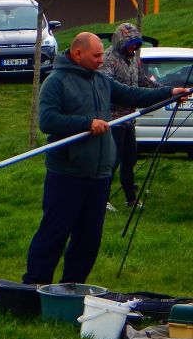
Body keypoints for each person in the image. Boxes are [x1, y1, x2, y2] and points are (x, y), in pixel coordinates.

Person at [23, 32, 188, 285]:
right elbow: (48, 121)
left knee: (89, 239)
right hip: (67, 173)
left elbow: (133, 95)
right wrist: (86, 123)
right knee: (54, 234)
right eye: (97, 55)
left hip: (99, 175)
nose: (102, 60)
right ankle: (34, 287)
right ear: (78, 53)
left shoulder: (101, 80)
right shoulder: (56, 82)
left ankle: (72, 288)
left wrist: (170, 92)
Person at [101, 23, 156, 211]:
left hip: (129, 120)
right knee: (112, 160)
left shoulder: (133, 60)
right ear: (120, 42)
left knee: (130, 159)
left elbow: (143, 82)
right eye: (130, 44)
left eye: (136, 44)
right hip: (113, 120)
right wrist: (128, 97)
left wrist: (167, 91)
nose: (133, 47)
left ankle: (130, 198)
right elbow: (106, 87)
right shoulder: (108, 59)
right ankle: (102, 199)